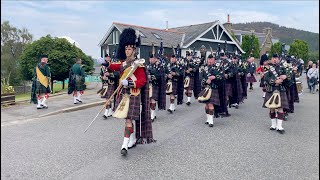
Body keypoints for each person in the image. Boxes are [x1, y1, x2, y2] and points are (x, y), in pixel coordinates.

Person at [102, 28, 155, 156]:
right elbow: (115, 66)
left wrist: (130, 83)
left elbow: (142, 81)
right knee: (128, 119)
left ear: (134, 50)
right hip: (124, 95)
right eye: (125, 49)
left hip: (134, 95)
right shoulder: (123, 62)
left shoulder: (138, 64)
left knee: (129, 120)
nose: (127, 51)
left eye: (129, 49)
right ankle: (132, 139)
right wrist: (105, 63)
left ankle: (124, 145)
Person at [263, 54, 289, 134]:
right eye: (273, 58)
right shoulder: (267, 67)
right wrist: (275, 81)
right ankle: (273, 125)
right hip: (271, 89)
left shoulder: (283, 66)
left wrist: (286, 76)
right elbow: (266, 78)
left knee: (280, 107)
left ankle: (279, 126)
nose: (275, 59)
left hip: (281, 89)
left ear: (278, 59)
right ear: (271, 59)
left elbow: (289, 76)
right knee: (272, 108)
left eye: (276, 58)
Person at [199, 54, 223, 127]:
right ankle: (208, 118)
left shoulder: (218, 67)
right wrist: (206, 80)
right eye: (209, 59)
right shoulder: (203, 67)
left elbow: (221, 76)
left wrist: (214, 77)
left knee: (210, 104)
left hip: (214, 88)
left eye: (211, 59)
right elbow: (200, 77)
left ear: (214, 60)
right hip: (206, 87)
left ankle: (211, 121)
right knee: (206, 105)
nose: (210, 61)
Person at [99, 54, 116, 119]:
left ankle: (106, 112)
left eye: (109, 57)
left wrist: (109, 75)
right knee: (107, 98)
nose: (108, 58)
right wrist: (102, 77)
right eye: (106, 57)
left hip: (111, 83)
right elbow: (100, 74)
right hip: (105, 84)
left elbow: (115, 74)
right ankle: (110, 110)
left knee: (109, 98)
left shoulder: (112, 64)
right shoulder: (102, 66)